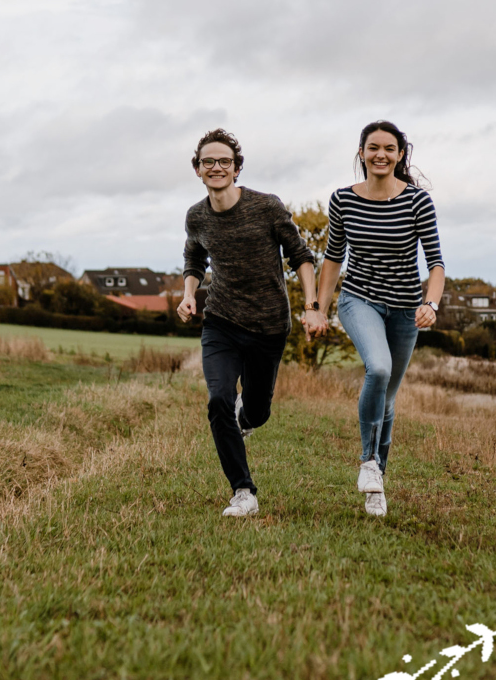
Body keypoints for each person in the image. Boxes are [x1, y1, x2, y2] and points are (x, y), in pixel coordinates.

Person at [177, 128, 326, 516]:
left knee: (258, 412)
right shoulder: (196, 216)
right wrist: (189, 294)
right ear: (197, 169)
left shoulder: (266, 207)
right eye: (208, 161)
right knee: (218, 401)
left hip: (268, 326)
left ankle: (247, 417)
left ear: (237, 168)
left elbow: (301, 256)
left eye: (224, 161)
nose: (216, 167)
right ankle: (243, 492)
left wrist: (311, 305)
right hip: (221, 321)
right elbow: (194, 258)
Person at [316, 120, 444, 516]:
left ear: (400, 155)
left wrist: (431, 304)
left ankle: (377, 484)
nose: (381, 155)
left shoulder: (418, 202)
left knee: (387, 399)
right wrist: (318, 309)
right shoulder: (343, 200)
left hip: (405, 309)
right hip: (359, 299)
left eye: (389, 148)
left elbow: (436, 264)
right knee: (379, 368)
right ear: (362, 153)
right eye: (373, 147)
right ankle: (368, 462)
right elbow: (333, 258)